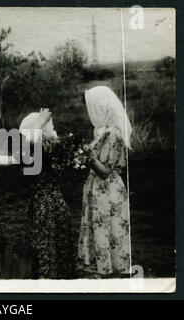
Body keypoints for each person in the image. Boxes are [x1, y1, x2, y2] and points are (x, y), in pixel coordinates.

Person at [77, 86, 132, 278]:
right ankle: (101, 266)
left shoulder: (113, 134)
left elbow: (106, 171)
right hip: (98, 189)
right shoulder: (100, 131)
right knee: (100, 227)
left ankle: (110, 269)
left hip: (107, 189)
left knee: (109, 228)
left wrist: (87, 156)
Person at [19, 109, 76, 279]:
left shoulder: (43, 148)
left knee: (45, 252)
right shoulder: (55, 145)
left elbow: (26, 144)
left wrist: (39, 121)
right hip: (56, 202)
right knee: (58, 252)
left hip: (43, 205)